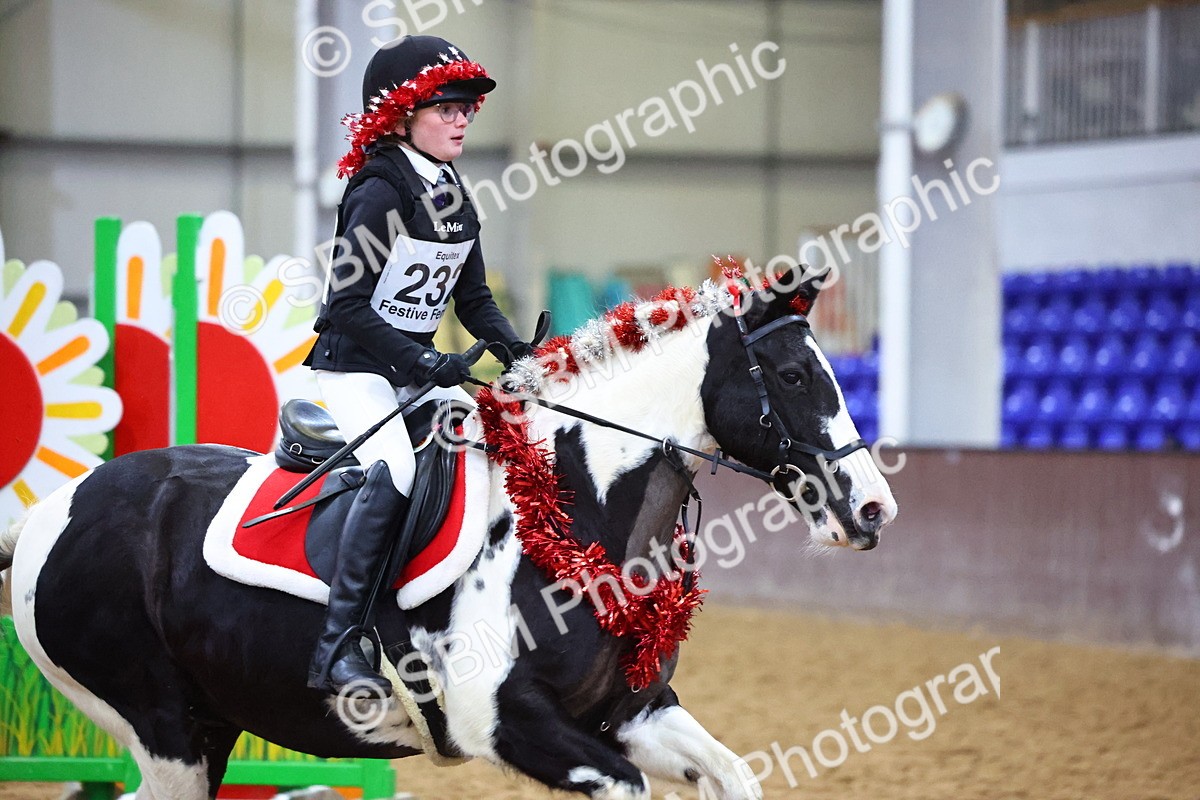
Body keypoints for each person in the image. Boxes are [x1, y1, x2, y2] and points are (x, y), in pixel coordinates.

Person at [303, 35, 532, 696]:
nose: (462, 119)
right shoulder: (378, 190)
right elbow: (345, 305)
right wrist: (422, 359)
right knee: (396, 471)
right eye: (447, 108)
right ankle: (340, 643)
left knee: (492, 448)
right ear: (401, 116)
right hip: (353, 373)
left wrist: (522, 353)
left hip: (414, 371)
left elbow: (474, 299)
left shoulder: (453, 190)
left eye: (467, 109)